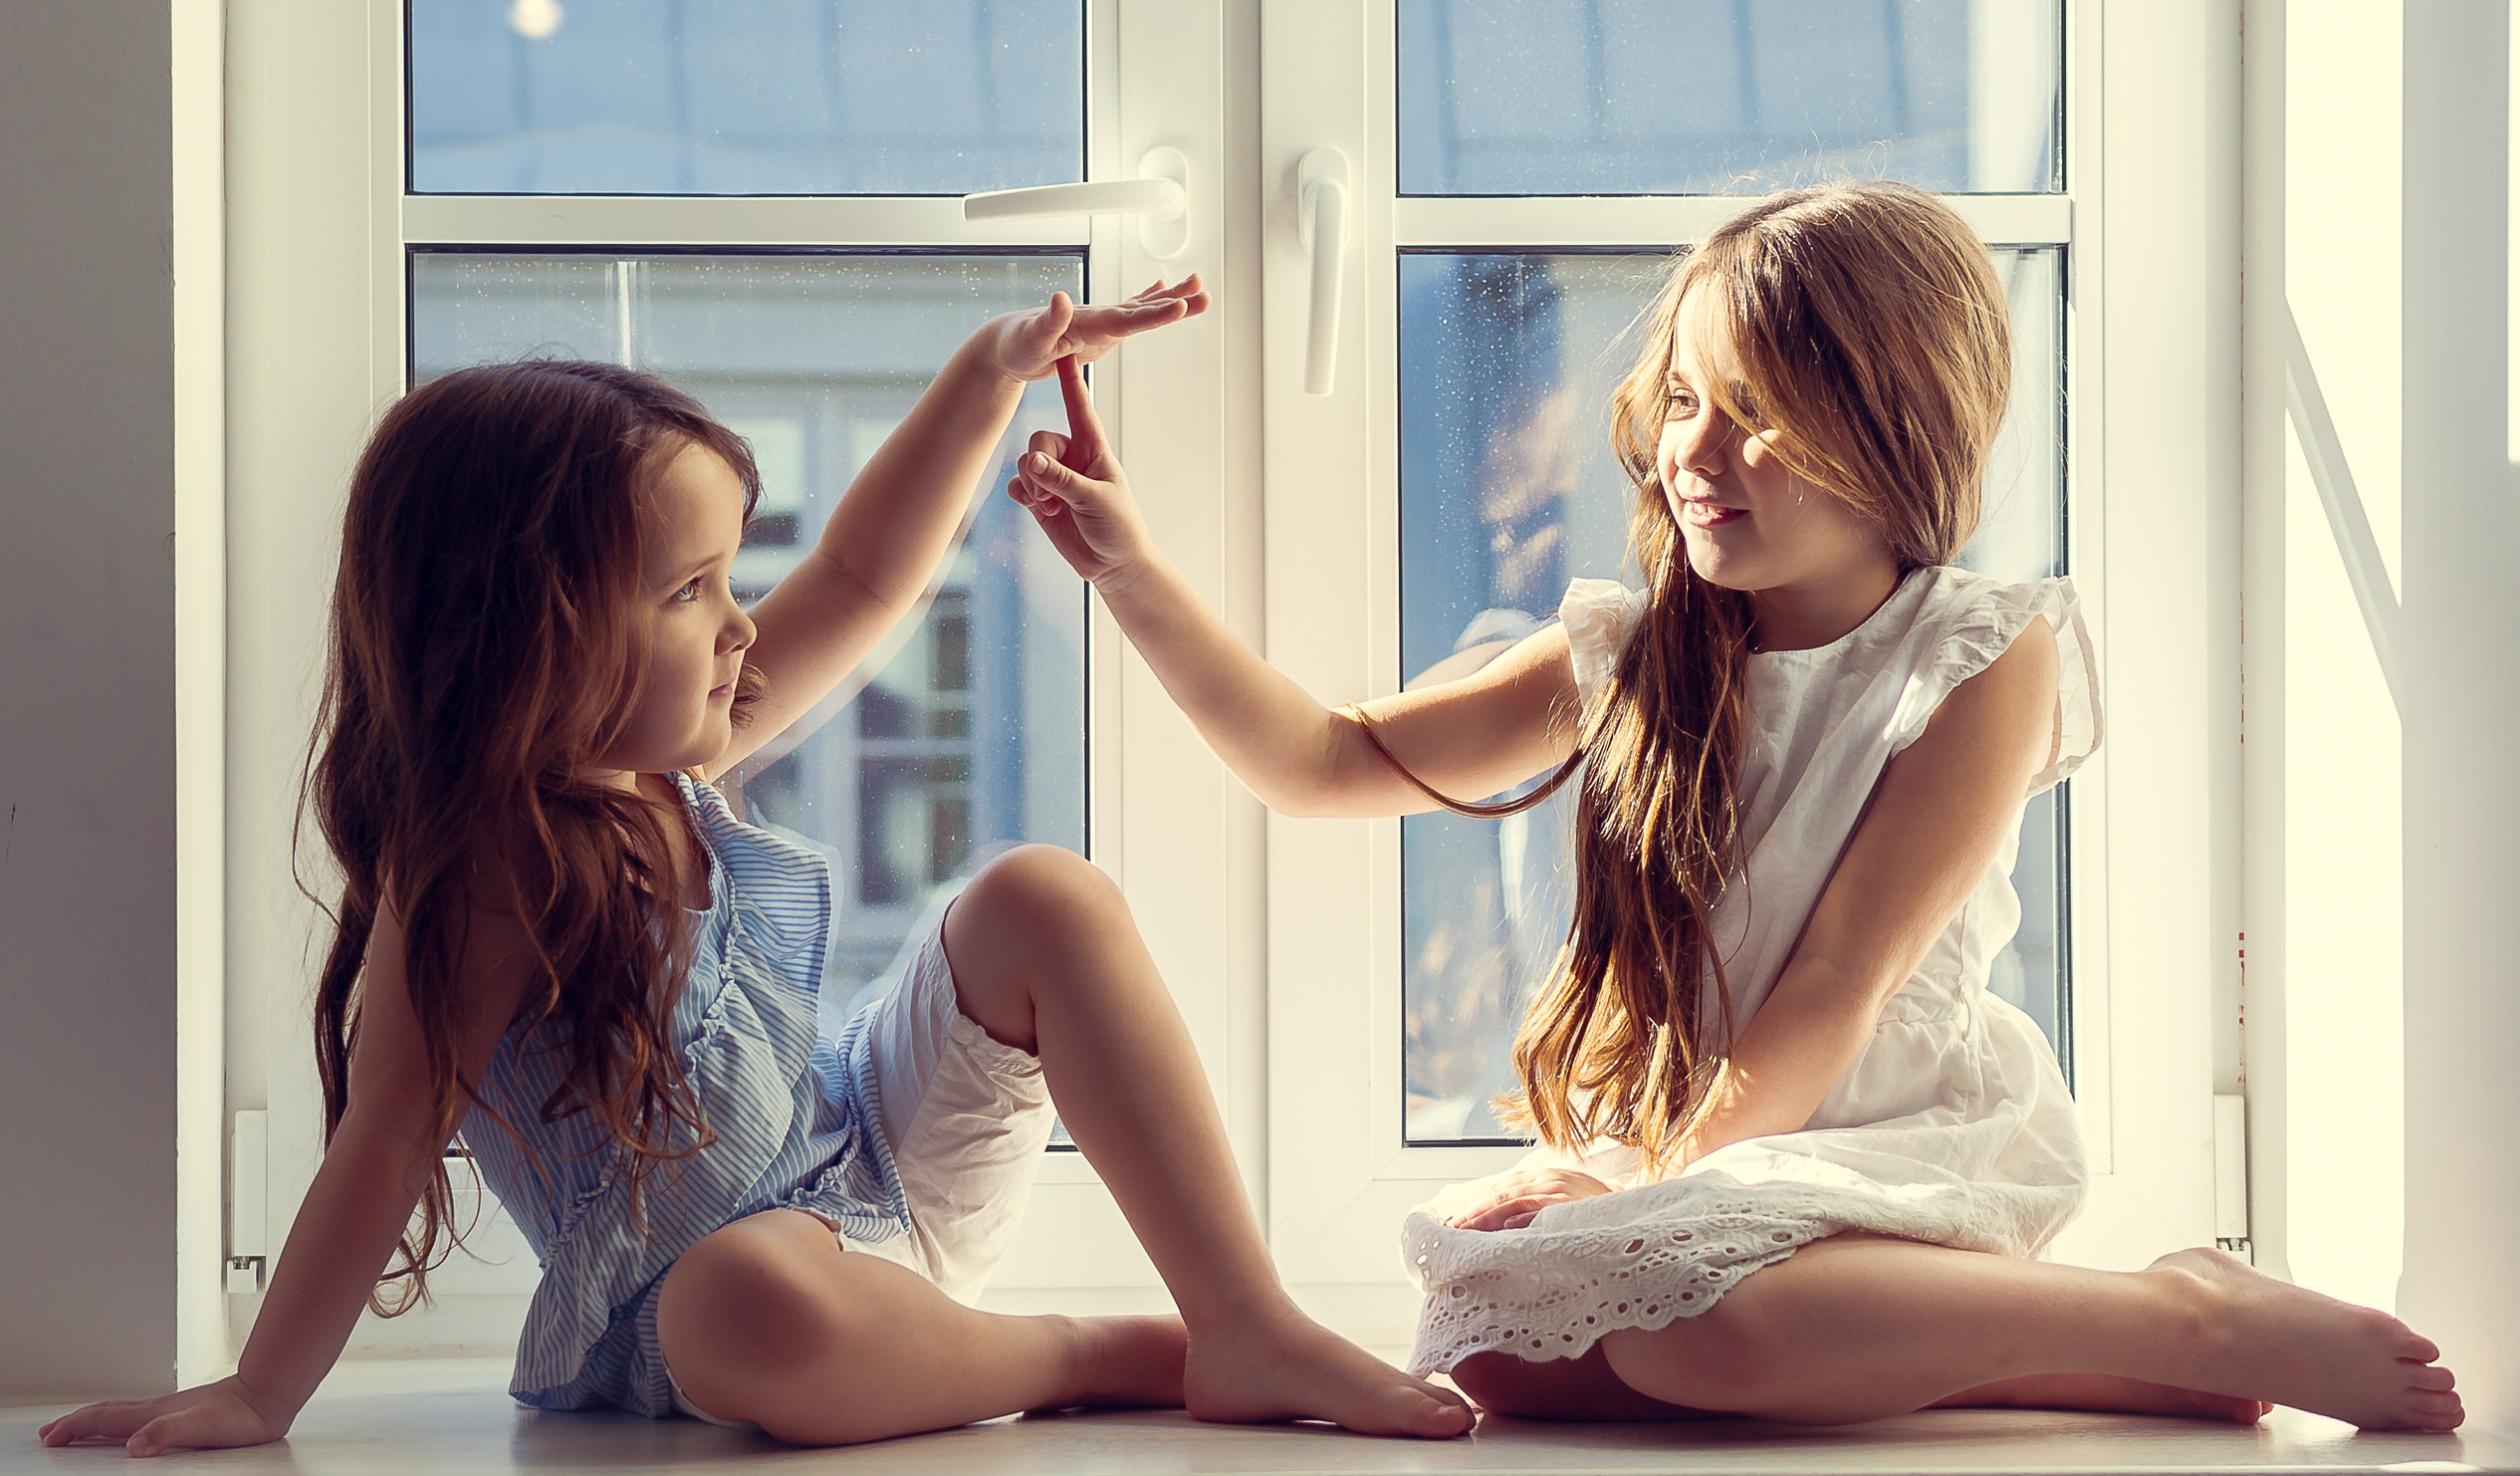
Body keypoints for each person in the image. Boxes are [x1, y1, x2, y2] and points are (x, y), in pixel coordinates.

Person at [1005, 185, 2464, 1433]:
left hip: (1891, 1152)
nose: (1694, 456)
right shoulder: (1634, 653)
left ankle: (2181, 1317)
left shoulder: (1979, 654)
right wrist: (1131, 572)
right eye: (1687, 403)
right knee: (1494, 1358)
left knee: (1711, 1331)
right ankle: (2102, 1365)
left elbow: (1836, 987)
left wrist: (1637, 1195)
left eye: (1756, 417)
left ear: (1898, 426)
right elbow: (1323, 761)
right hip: (1714, 1166)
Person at [41, 277, 1479, 1455]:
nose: (740, 629)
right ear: (524, 634)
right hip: (718, 1303)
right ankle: (1100, 1350)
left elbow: (861, 581)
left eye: (733, 577)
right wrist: (257, 1393)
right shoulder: (483, 875)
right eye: (688, 592)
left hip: (873, 1170)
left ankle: (1238, 1314)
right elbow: (385, 1141)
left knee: (1038, 892)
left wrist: (989, 376)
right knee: (736, 1302)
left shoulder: (677, 755)